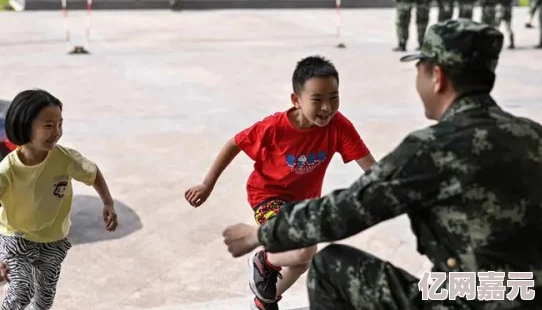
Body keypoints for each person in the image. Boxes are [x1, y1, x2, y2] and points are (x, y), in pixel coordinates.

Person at [222, 18, 542, 309]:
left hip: (467, 300)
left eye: (419, 68)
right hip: (528, 292)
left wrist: (258, 236)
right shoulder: (534, 134)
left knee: (329, 265)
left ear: (437, 77)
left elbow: (343, 211)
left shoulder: (431, 149)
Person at [185, 56, 376, 309]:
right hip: (267, 196)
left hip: (303, 203)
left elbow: (373, 169)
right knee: (306, 250)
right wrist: (206, 184)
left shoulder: (339, 126)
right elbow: (234, 143)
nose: (327, 107)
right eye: (317, 99)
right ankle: (264, 261)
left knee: (302, 260)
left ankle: (266, 298)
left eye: (334, 97)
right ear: (296, 100)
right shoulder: (274, 127)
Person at [0, 89, 119, 310]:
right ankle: (14, 291)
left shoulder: (65, 159)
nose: (57, 132)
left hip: (53, 237)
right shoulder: (7, 171)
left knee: (43, 301)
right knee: (22, 292)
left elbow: (93, 172)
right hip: (15, 236)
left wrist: (108, 202)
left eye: (60, 124)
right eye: (49, 126)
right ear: (25, 127)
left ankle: (20, 290)